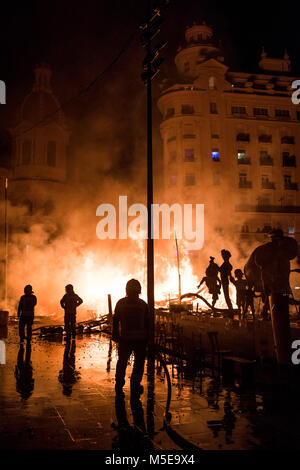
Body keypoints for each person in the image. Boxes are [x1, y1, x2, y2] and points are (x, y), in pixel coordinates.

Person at [112, 279, 149, 396]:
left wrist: (115, 334)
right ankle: (135, 384)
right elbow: (148, 323)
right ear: (139, 290)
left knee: (122, 362)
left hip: (125, 339)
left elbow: (115, 320)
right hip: (140, 339)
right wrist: (149, 338)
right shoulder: (143, 304)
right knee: (138, 363)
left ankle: (119, 384)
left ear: (126, 290)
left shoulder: (121, 303)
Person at [219, 249, 234, 315]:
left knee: (226, 296)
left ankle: (231, 310)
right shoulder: (227, 264)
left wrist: (216, 267)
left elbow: (225, 271)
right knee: (226, 296)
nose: (222, 256)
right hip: (224, 281)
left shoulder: (226, 264)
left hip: (225, 281)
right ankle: (231, 309)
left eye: (223, 255)